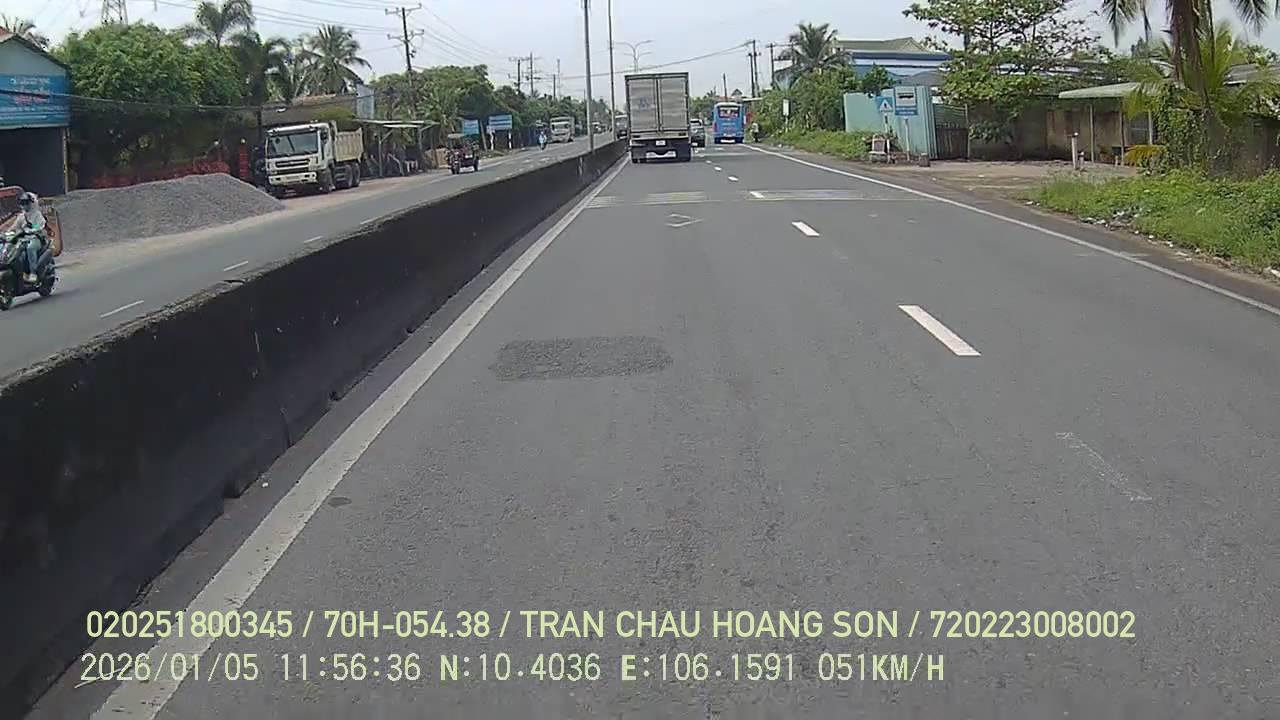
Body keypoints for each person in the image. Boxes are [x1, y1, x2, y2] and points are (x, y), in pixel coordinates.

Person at [14, 192, 46, 285]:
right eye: (22, 203)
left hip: (35, 238)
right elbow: (14, 227)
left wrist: (32, 230)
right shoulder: (21, 216)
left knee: (30, 248)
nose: (24, 205)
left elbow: (40, 225)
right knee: (14, 250)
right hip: (23, 239)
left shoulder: (37, 214)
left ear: (32, 203)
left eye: (26, 203)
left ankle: (33, 272)